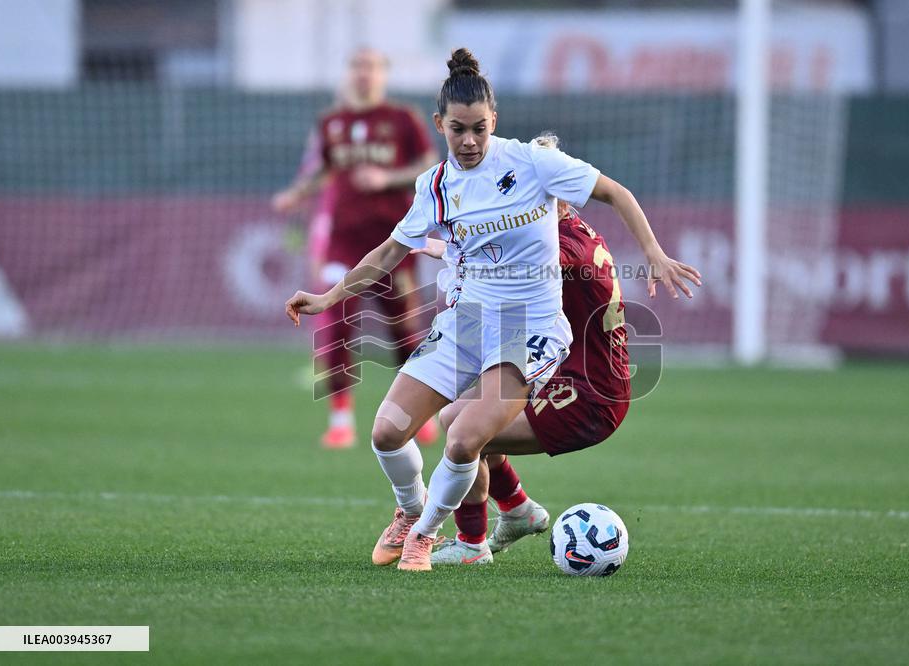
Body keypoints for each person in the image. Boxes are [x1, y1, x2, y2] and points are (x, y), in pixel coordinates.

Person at [285, 48, 701, 572]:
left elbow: (614, 191)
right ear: (440, 125)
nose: (470, 141)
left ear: (494, 121)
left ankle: (424, 535)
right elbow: (393, 250)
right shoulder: (434, 185)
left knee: (462, 438)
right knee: (387, 431)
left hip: (528, 330)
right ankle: (413, 511)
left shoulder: (532, 163)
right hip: (465, 324)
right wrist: (328, 298)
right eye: (458, 129)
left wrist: (654, 253)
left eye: (480, 128)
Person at [409, 169, 632, 565]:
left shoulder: (563, 247)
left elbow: (515, 267)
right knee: (457, 414)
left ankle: (472, 545)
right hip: (568, 377)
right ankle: (516, 510)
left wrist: (447, 249)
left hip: (589, 397)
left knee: (465, 434)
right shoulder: (572, 230)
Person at [272, 47, 439, 449]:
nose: (364, 74)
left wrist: (386, 179)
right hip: (343, 243)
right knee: (336, 322)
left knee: (404, 332)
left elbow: (429, 164)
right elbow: (325, 170)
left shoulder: (403, 120)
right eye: (357, 67)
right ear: (349, 74)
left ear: (383, 75)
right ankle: (341, 418)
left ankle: (421, 412)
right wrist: (297, 193)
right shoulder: (332, 123)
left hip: (392, 243)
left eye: (372, 67)